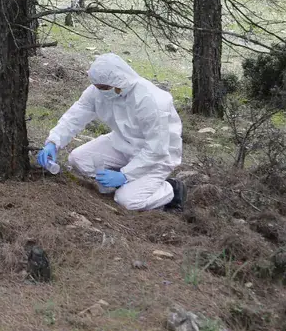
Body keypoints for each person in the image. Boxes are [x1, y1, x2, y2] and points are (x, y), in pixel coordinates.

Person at [36, 53, 185, 212]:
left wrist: (125, 175)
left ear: (120, 81)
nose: (100, 91)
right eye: (97, 86)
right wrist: (54, 141)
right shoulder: (98, 91)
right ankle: (130, 181)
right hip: (122, 143)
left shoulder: (151, 101)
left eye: (104, 87)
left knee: (127, 201)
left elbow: (156, 149)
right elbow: (76, 115)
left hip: (157, 157)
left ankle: (171, 190)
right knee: (78, 159)